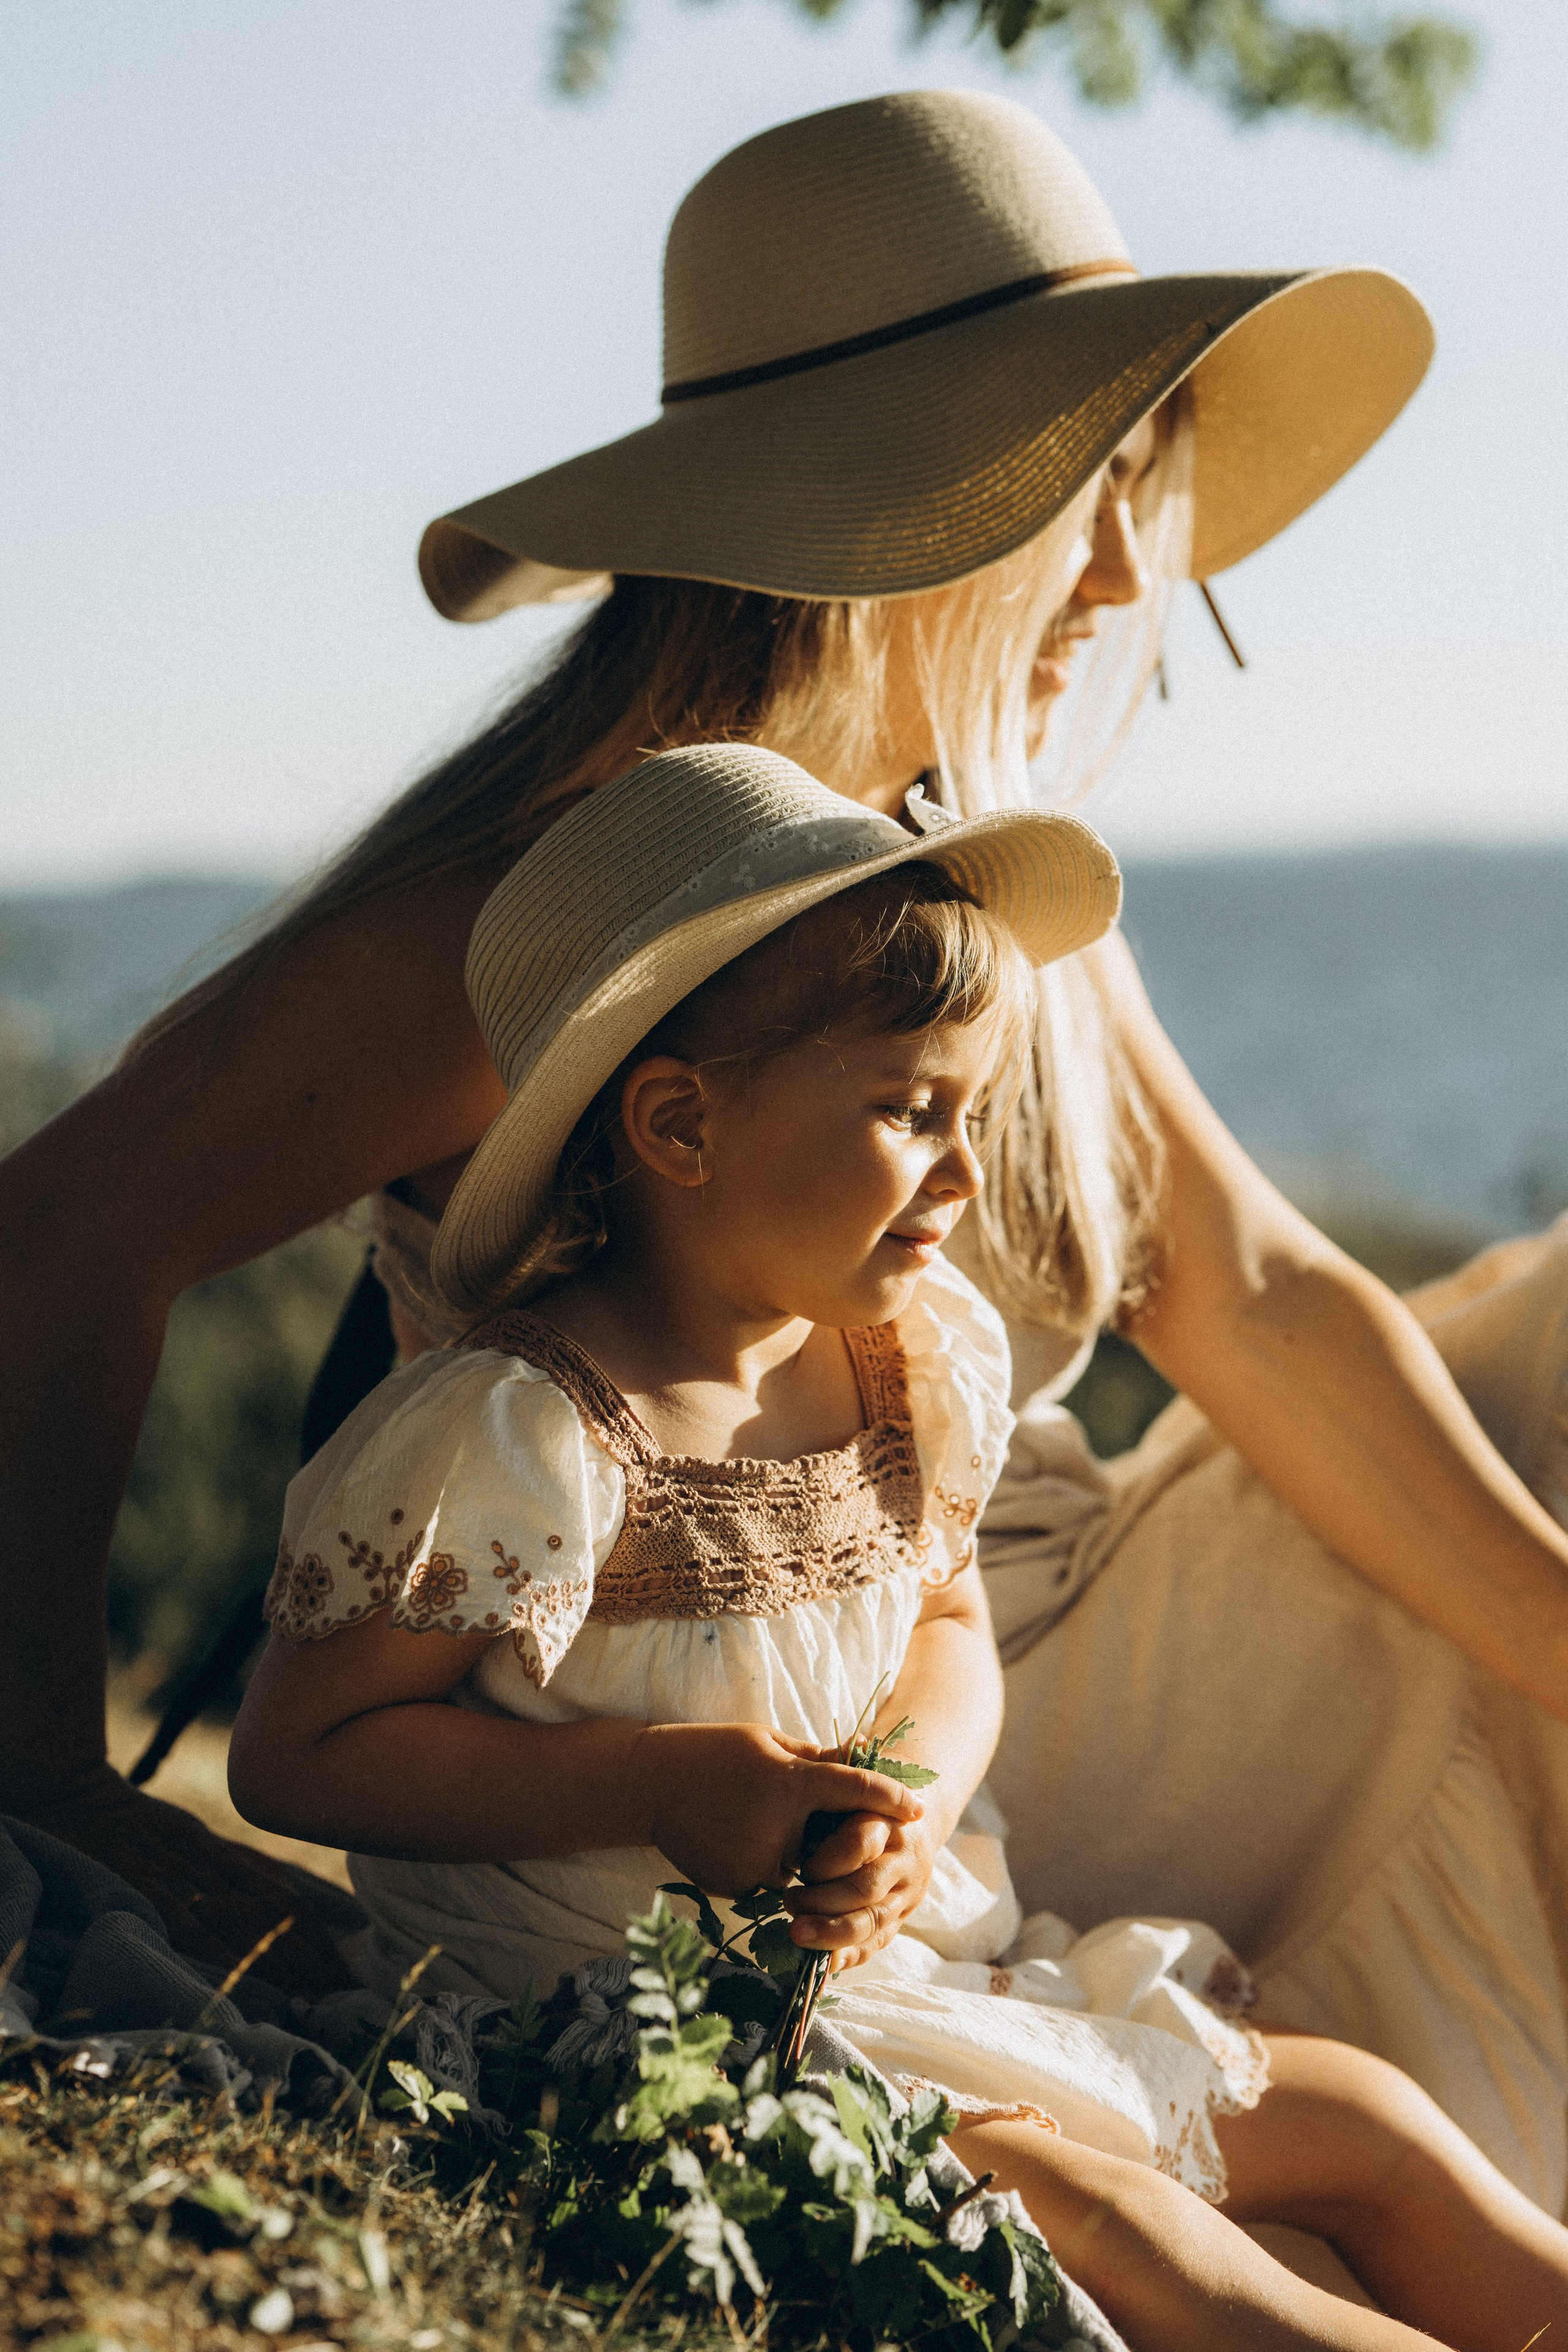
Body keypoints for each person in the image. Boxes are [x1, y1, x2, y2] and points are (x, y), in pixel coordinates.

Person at [4, 85, 1567, 2212]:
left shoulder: (946, 877)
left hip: (965, 1710)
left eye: (1144, 487)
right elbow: (63, 1239)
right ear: (892, 500)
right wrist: (45, 1781)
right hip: (793, 1751)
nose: (1132, 567)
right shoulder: (574, 913)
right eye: (1083, 488)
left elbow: (1262, 1292)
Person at [228, 745, 1568, 2352]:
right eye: (908, 1112)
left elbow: (942, 1618)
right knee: (1129, 2232)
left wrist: (909, 1791)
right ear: (680, 1124)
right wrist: (656, 1785)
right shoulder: (523, 1433)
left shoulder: (902, 1364)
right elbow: (303, 1754)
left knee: (1366, 2124)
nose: (961, 1172)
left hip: (903, 1971)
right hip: (660, 2038)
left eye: (975, 1112)